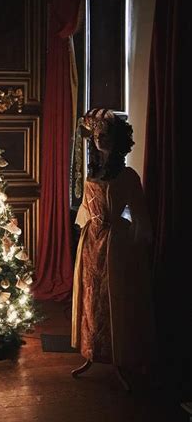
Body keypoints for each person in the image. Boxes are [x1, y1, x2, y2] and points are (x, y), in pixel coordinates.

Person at [71, 108, 155, 390]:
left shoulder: (128, 175)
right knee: (92, 296)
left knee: (113, 295)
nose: (99, 140)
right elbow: (85, 208)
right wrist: (86, 229)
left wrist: (134, 243)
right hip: (91, 241)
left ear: (117, 140)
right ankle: (93, 348)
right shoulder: (93, 172)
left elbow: (139, 214)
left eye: (105, 135)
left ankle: (118, 352)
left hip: (115, 243)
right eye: (96, 136)